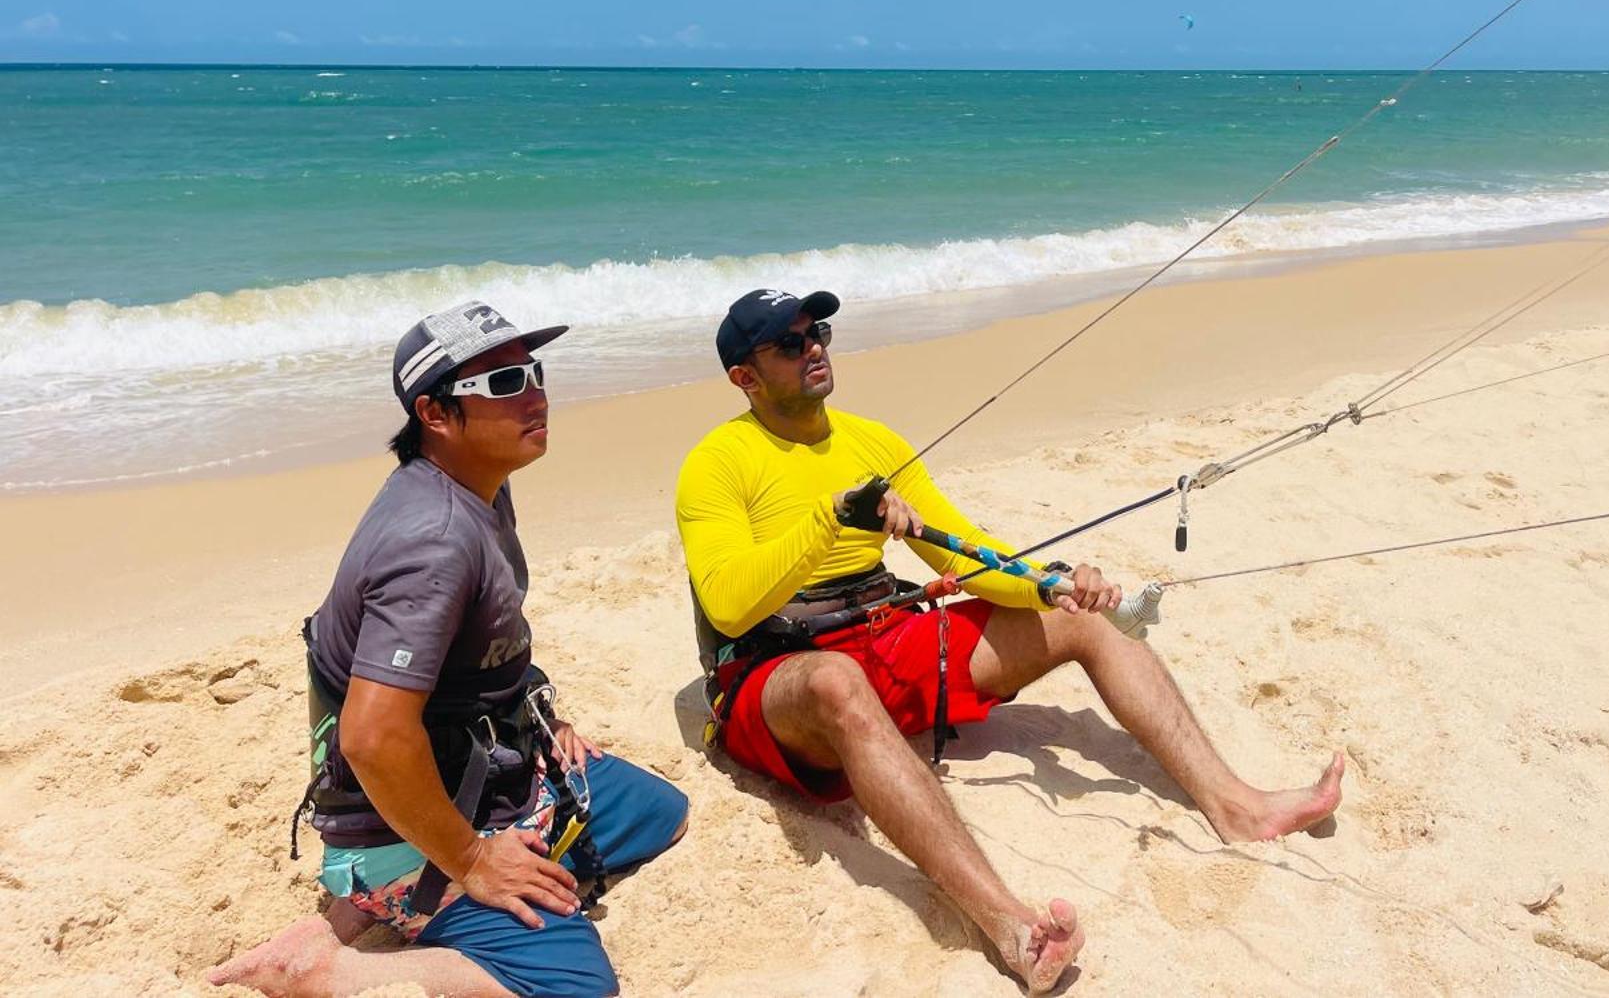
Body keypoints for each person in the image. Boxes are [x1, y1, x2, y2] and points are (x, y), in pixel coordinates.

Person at [676, 288, 1344, 994]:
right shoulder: (715, 463)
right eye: (790, 343)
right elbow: (728, 601)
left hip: (881, 637)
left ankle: (1236, 803)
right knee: (837, 681)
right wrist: (833, 514)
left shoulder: (874, 440)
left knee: (1080, 619)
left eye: (821, 332)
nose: (814, 347)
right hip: (776, 678)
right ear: (743, 376)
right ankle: (1011, 928)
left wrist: (1048, 585)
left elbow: (964, 556)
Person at [210, 300, 689, 998]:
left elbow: (474, 654)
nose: (534, 394)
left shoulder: (478, 488)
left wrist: (540, 713)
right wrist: (471, 860)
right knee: (576, 991)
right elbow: (372, 737)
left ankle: (380, 912)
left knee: (661, 816)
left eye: (532, 371)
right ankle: (332, 965)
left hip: (490, 770)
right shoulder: (432, 539)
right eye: (500, 384)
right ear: (435, 415)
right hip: (413, 820)